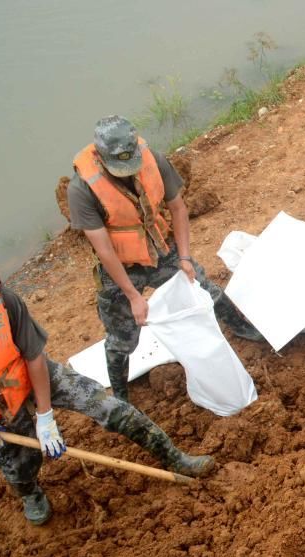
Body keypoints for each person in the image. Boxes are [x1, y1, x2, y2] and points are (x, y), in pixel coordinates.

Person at [0, 244, 214, 525]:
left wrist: (45, 417)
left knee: (111, 408)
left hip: (29, 374)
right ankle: (30, 493)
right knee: (18, 464)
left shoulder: (1, 298)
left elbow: (34, 356)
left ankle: (175, 457)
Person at [67, 115, 262, 403]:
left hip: (161, 248)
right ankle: (120, 396)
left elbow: (178, 209)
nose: (126, 173)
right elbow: (104, 249)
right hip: (121, 266)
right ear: (100, 156)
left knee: (205, 288)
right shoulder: (82, 189)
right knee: (122, 340)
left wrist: (183, 257)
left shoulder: (152, 160)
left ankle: (242, 328)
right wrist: (133, 296)